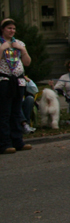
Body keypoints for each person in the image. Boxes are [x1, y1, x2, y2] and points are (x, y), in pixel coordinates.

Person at [0, 18, 32, 154]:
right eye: (9, 28)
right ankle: (4, 143)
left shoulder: (18, 43)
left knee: (16, 111)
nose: (12, 31)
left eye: (13, 28)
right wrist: (2, 48)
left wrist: (22, 50)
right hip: (4, 80)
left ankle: (18, 140)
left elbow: (27, 63)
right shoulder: (1, 44)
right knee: (4, 112)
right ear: (2, 29)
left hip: (19, 81)